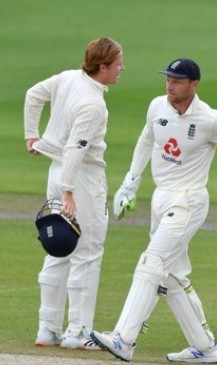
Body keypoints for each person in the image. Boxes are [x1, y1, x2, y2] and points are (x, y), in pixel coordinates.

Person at [90, 58, 217, 363]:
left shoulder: (209, 120)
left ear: (194, 84)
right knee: (171, 277)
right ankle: (205, 347)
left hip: (189, 202)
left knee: (152, 262)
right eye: (168, 79)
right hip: (161, 200)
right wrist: (129, 185)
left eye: (177, 80)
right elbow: (145, 141)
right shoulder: (156, 107)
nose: (170, 85)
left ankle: (124, 338)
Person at [24, 37, 124, 350]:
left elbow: (32, 95)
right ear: (102, 66)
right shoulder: (93, 104)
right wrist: (69, 192)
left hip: (56, 172)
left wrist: (32, 135)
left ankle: (47, 329)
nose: (122, 68)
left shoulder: (68, 77)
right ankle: (78, 333)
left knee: (58, 249)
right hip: (80, 179)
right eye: (118, 63)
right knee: (88, 252)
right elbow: (76, 148)